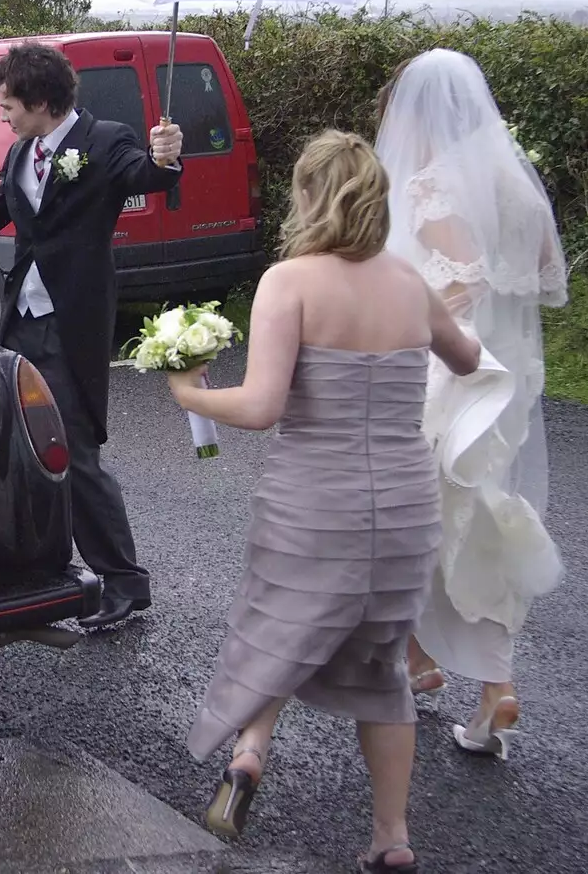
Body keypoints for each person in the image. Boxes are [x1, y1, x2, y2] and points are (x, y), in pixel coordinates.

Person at [168, 130, 481, 872]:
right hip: (403, 506)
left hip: (313, 501)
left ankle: (249, 755)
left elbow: (265, 404)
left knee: (276, 626)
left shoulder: (290, 282)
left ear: (310, 197)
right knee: (382, 669)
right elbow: (466, 359)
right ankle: (392, 838)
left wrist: (189, 393)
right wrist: (458, 304)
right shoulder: (408, 281)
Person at [0, 42, 184, 629]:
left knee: (75, 452)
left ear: (41, 100)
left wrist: (167, 157)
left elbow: (145, 174)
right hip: (21, 323)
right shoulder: (21, 154)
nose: (3, 116)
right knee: (15, 444)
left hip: (71, 323)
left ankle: (125, 582)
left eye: (8, 105)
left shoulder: (105, 141)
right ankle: (39, 563)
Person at [373, 49, 569, 761]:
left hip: (454, 371)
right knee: (467, 510)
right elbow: (547, 271)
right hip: (510, 375)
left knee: (424, 517)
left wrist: (408, 324)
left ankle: (463, 672)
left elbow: (464, 280)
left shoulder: (431, 186)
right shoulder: (513, 182)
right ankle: (449, 668)